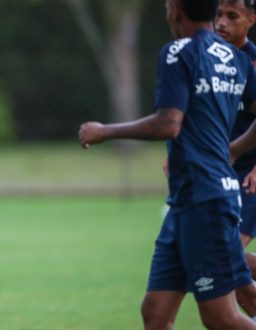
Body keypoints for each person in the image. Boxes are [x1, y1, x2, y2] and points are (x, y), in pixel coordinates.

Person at [79, 0, 256, 328]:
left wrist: (106, 131)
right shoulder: (236, 58)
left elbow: (168, 123)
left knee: (221, 317)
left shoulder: (177, 53)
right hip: (187, 199)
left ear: (174, 9)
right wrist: (229, 150)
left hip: (207, 198)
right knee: (156, 311)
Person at [215, 0, 256, 316]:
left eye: (232, 16)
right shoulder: (212, 60)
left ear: (250, 20)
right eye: (218, 15)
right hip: (218, 170)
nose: (222, 23)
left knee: (225, 256)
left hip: (247, 173)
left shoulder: (252, 62)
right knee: (221, 260)